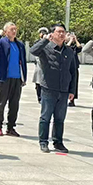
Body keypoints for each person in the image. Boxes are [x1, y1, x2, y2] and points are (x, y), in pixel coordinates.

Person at [30, 23, 77, 153]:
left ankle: (58, 142)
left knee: (60, 118)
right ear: (53, 34)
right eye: (58, 32)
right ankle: (43, 142)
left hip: (64, 89)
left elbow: (73, 71)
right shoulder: (46, 47)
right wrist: (45, 40)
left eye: (63, 32)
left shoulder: (69, 51)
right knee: (45, 117)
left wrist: (72, 90)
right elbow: (33, 51)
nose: (61, 34)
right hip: (49, 88)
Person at [0, 22, 27, 137]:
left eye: (15, 29)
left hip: (17, 78)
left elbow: (23, 61)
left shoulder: (19, 44)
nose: (14, 31)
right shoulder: (2, 42)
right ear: (6, 31)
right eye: (11, 29)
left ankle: (10, 127)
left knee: (14, 104)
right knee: (1, 103)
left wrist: (24, 77)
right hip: (4, 77)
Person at [32, 27, 49, 103]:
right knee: (38, 82)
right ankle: (39, 97)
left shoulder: (49, 42)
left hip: (47, 65)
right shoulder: (37, 42)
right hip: (39, 65)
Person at [66, 32, 82, 107]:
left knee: (74, 83)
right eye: (68, 35)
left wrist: (75, 40)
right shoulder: (63, 45)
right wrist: (69, 40)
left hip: (74, 67)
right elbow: (66, 48)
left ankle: (72, 100)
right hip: (66, 68)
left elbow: (80, 48)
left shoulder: (74, 47)